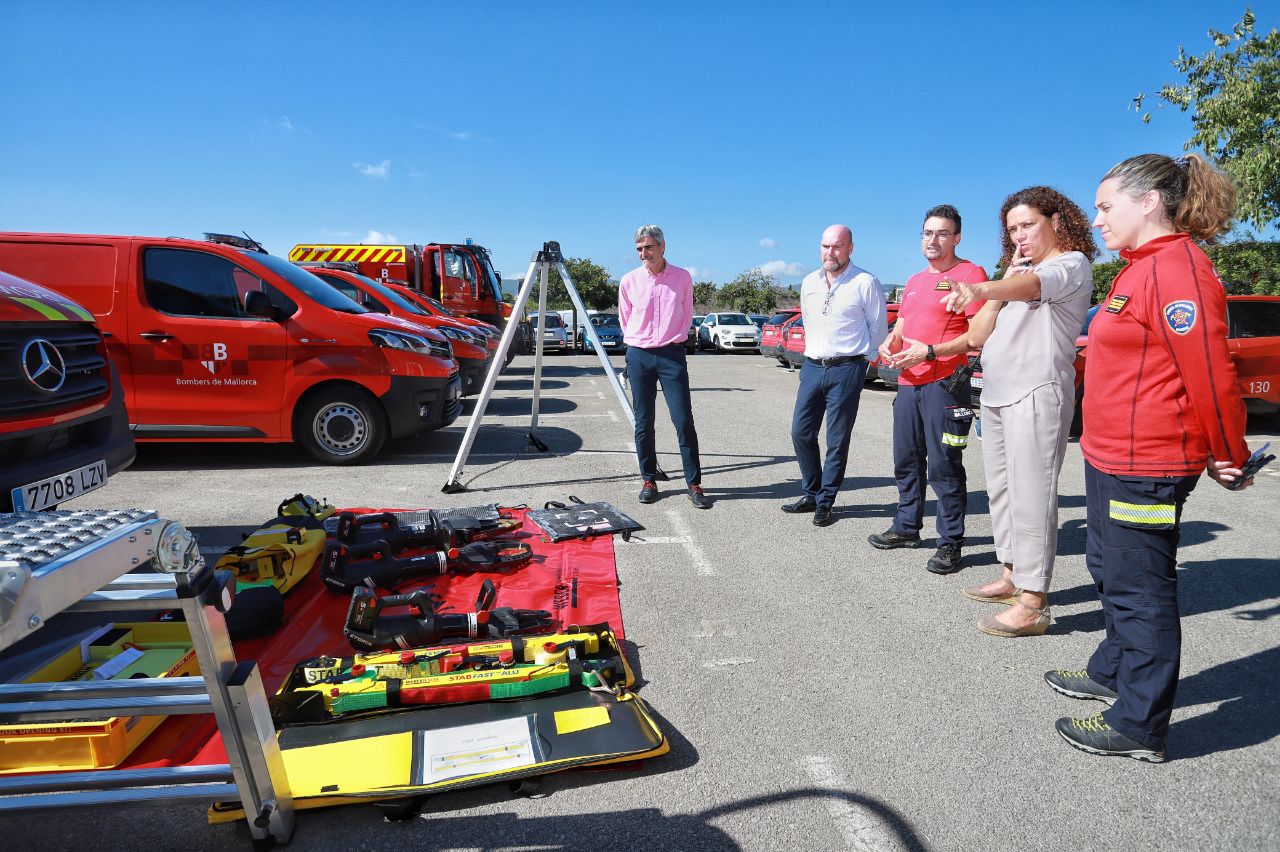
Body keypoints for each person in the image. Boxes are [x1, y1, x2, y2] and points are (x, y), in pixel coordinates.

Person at [1046, 154, 1255, 762]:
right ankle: (1113, 669)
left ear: (1150, 202)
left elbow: (1211, 370)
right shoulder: (1141, 269)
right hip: (1111, 454)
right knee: (1109, 568)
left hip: (1149, 464)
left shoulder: (1179, 271)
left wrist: (1228, 453)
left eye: (1106, 206)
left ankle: (1138, 724)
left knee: (1142, 589)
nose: (1097, 218)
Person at [940, 187, 1097, 637]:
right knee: (1003, 492)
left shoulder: (1069, 265)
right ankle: (1012, 575)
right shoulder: (1016, 274)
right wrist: (992, 292)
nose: (1020, 235)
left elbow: (1034, 286)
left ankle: (1033, 602)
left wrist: (982, 285)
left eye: (1028, 224)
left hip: (1036, 391)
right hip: (997, 394)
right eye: (1012, 229)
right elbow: (978, 334)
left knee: (1033, 495)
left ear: (1058, 221)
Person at [870, 204, 987, 574]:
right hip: (908, 383)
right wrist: (889, 343)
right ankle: (907, 527)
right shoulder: (916, 280)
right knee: (906, 460)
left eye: (941, 233)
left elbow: (978, 335)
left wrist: (933, 351)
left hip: (945, 386)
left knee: (943, 465)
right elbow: (902, 324)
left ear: (957, 237)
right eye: (927, 233)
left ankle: (950, 541)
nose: (932, 240)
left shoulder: (970, 275)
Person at [782, 224, 888, 527]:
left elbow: (878, 329)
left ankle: (825, 501)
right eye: (826, 246)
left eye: (838, 246)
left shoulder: (866, 282)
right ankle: (811, 492)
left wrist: (861, 363)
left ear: (850, 248)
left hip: (847, 369)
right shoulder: (808, 282)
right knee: (801, 433)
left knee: (837, 440)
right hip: (813, 367)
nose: (831, 252)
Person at [618, 225, 711, 509]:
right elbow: (625, 318)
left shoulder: (682, 277)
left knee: (683, 419)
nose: (643, 253)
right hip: (639, 355)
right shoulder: (629, 280)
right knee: (644, 422)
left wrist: (673, 340)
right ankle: (648, 479)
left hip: (672, 355)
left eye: (648, 247)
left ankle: (693, 484)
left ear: (662, 247)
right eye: (639, 249)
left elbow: (686, 313)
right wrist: (641, 343)